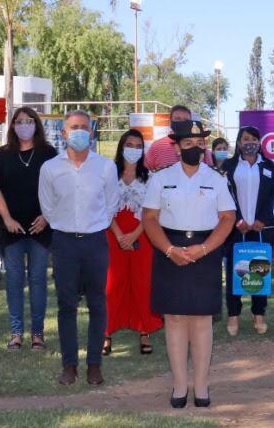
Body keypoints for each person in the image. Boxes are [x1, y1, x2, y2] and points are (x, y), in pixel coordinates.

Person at [142, 120, 237, 408]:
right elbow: (149, 218)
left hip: (204, 250)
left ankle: (202, 385)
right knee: (174, 318)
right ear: (177, 146)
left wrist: (205, 248)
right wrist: (170, 250)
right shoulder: (160, 178)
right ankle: (180, 385)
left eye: (199, 144)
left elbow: (228, 218)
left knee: (201, 319)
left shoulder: (216, 178)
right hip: (169, 249)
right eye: (188, 144)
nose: (194, 148)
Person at [39, 110, 119, 386]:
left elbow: (111, 206)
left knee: (98, 304)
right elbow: (47, 207)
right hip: (63, 242)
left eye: (84, 127)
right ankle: (69, 366)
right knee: (66, 306)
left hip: (96, 241)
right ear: (63, 133)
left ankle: (94, 365)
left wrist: (93, 226)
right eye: (73, 127)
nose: (79, 132)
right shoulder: (50, 168)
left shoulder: (106, 167)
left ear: (93, 131)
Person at [0, 106, 58, 351]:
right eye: (19, 121)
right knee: (14, 280)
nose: (24, 125)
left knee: (38, 280)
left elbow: (60, 188)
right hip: (11, 230)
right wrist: (6, 219)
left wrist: (47, 217)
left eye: (29, 121)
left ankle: (37, 334)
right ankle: (16, 333)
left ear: (36, 125)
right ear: (13, 125)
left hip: (41, 228)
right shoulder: (4, 153)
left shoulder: (49, 153)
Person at [103, 130, 160, 357]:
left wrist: (134, 235)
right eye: (130, 144)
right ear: (121, 146)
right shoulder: (108, 174)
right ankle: (105, 332)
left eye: (138, 145)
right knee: (111, 284)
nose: (134, 149)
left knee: (142, 282)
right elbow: (104, 207)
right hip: (112, 233)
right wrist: (119, 235)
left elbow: (153, 212)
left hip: (142, 235)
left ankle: (144, 330)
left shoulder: (151, 178)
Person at [220, 125, 274, 336]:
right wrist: (236, 219)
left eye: (254, 139)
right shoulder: (228, 166)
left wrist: (263, 219)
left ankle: (259, 314)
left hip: (260, 229)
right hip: (235, 229)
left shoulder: (270, 167)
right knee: (234, 271)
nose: (250, 142)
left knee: (259, 270)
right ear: (238, 143)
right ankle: (233, 315)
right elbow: (223, 195)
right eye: (246, 139)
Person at [146, 104, 198, 171]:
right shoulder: (157, 146)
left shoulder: (199, 147)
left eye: (186, 120)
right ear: (170, 122)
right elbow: (145, 173)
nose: (182, 122)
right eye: (178, 119)